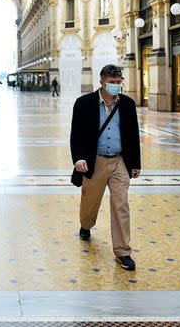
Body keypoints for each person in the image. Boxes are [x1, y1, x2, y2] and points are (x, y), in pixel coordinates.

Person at [69, 64, 141, 271]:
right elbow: (76, 134)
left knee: (121, 205)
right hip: (95, 160)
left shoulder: (127, 104)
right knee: (90, 200)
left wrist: (135, 163)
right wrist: (79, 158)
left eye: (119, 83)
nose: (116, 86)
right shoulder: (84, 103)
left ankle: (123, 252)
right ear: (101, 82)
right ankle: (86, 224)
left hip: (120, 161)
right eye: (112, 83)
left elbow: (133, 134)